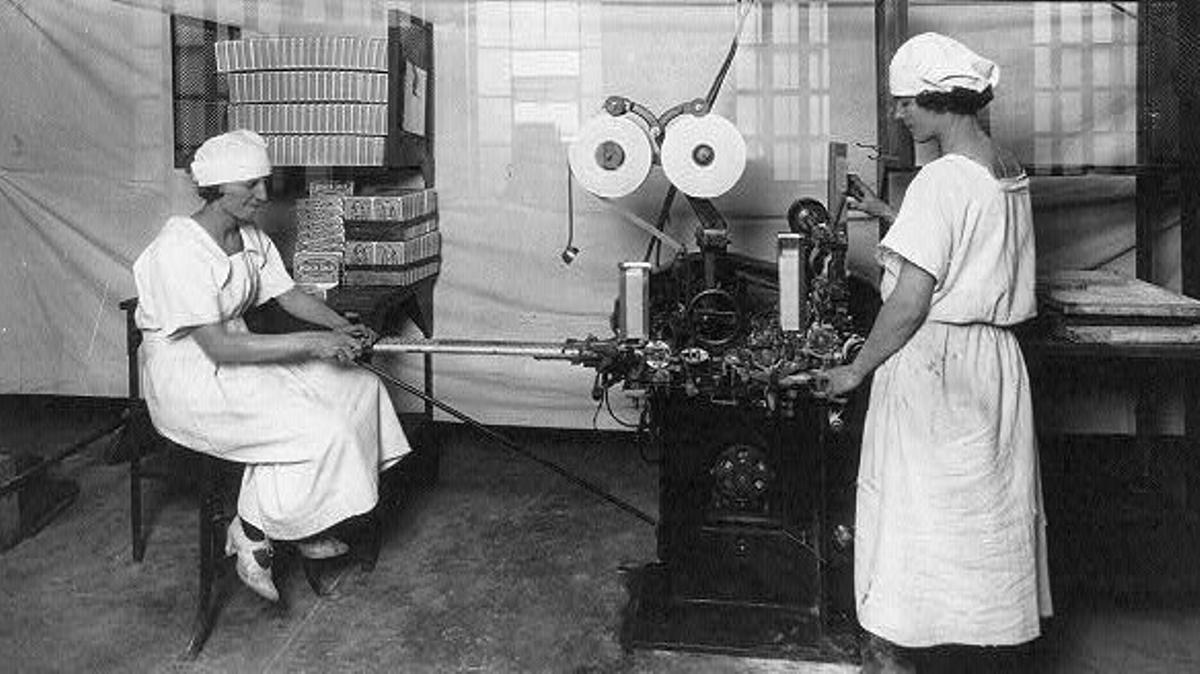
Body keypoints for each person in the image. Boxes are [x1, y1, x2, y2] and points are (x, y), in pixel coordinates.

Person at [815, 33, 1051, 672]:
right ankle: (986, 642)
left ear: (937, 101)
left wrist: (856, 369)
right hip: (993, 364)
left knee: (924, 516)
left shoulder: (940, 181)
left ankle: (920, 646)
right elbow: (966, 233)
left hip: (937, 364)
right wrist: (890, 209)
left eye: (904, 104)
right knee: (980, 515)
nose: (897, 116)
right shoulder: (1002, 167)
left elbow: (913, 299)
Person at [132, 129, 411, 602]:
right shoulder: (177, 251)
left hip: (243, 356)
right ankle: (255, 528)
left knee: (361, 391)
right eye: (251, 187)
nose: (264, 196)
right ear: (218, 190)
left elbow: (289, 295)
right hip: (193, 381)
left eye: (265, 183)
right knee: (322, 429)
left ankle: (307, 517)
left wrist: (339, 327)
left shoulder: (249, 235)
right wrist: (314, 345)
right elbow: (218, 349)